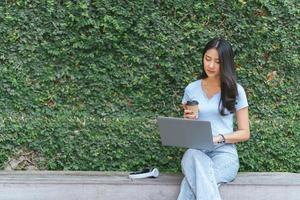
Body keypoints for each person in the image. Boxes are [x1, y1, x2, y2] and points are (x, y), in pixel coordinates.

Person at [177, 37, 250, 200]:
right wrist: (188, 121)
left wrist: (219, 138)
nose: (210, 65)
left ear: (226, 63)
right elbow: (188, 130)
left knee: (191, 186)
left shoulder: (236, 91)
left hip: (224, 154)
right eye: (207, 59)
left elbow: (245, 133)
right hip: (196, 152)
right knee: (191, 155)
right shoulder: (191, 89)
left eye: (217, 61)